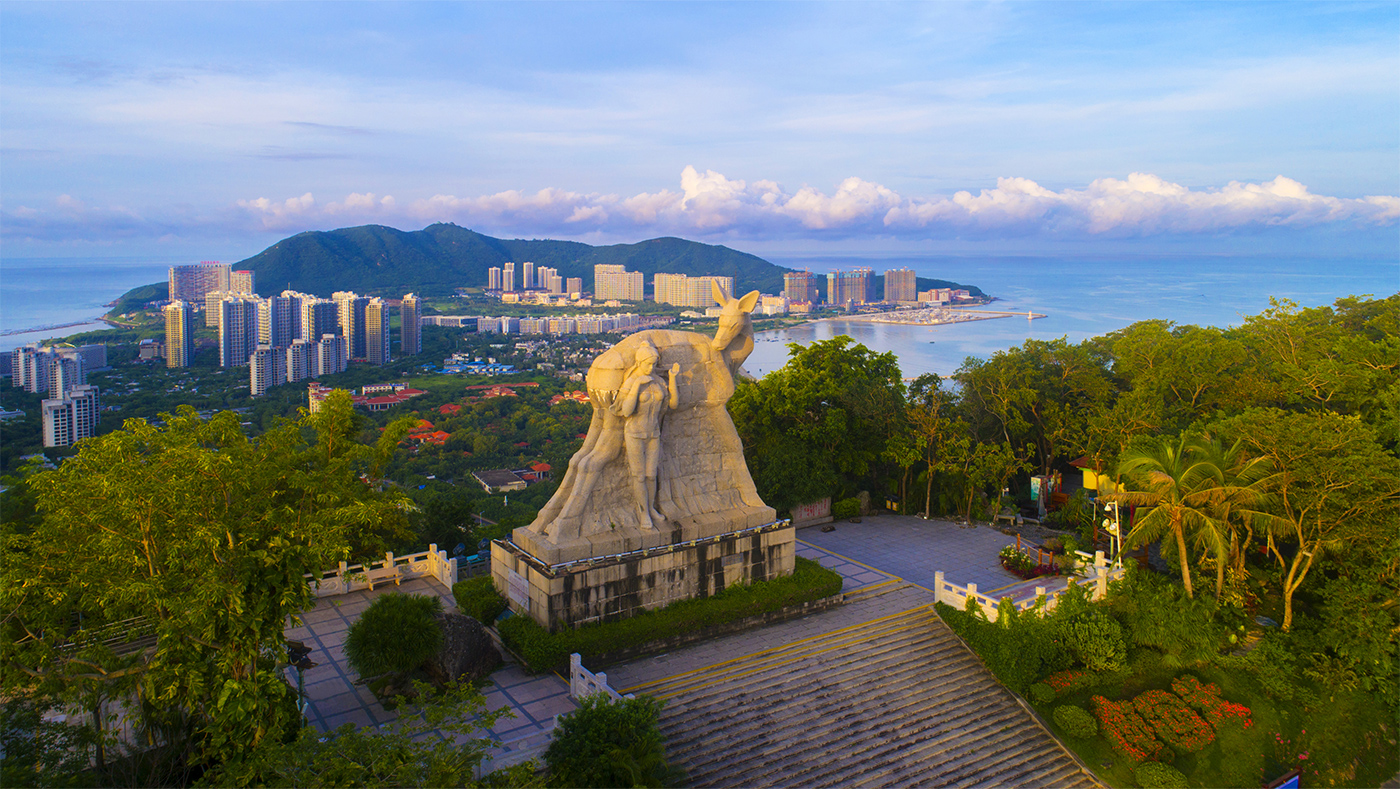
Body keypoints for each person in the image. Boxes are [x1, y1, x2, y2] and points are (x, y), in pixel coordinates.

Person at [611, 341, 680, 530]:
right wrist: (636, 386)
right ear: (639, 363)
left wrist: (672, 379)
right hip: (634, 433)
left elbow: (673, 404)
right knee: (639, 476)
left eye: (654, 364)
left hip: (653, 433)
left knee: (651, 475)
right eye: (648, 364)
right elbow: (626, 411)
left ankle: (651, 508)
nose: (651, 368)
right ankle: (643, 513)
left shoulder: (658, 382)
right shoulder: (631, 382)